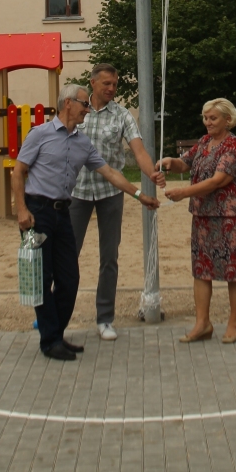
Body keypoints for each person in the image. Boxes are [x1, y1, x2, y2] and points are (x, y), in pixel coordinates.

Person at [11, 83, 159, 361]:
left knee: (70, 279)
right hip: (38, 212)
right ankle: (50, 340)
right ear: (68, 103)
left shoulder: (82, 143)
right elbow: (18, 173)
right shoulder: (39, 134)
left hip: (63, 212)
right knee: (43, 279)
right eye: (84, 105)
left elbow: (110, 173)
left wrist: (140, 195)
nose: (87, 110)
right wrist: (21, 209)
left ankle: (56, 333)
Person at [69, 63, 166, 341]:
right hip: (77, 192)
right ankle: (56, 314)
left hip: (111, 192)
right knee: (68, 254)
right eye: (106, 84)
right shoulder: (78, 111)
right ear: (93, 83)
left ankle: (105, 318)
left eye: (114, 84)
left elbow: (138, 150)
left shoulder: (122, 115)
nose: (111, 89)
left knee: (109, 257)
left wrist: (152, 173)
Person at [159, 98, 236, 344]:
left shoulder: (234, 145)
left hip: (229, 217)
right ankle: (203, 323)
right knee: (202, 269)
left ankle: (234, 322)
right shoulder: (205, 142)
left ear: (228, 120)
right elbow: (184, 163)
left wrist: (183, 193)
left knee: (233, 270)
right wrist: (169, 162)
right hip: (203, 215)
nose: (207, 122)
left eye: (213, 118)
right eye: (205, 118)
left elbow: (218, 181)